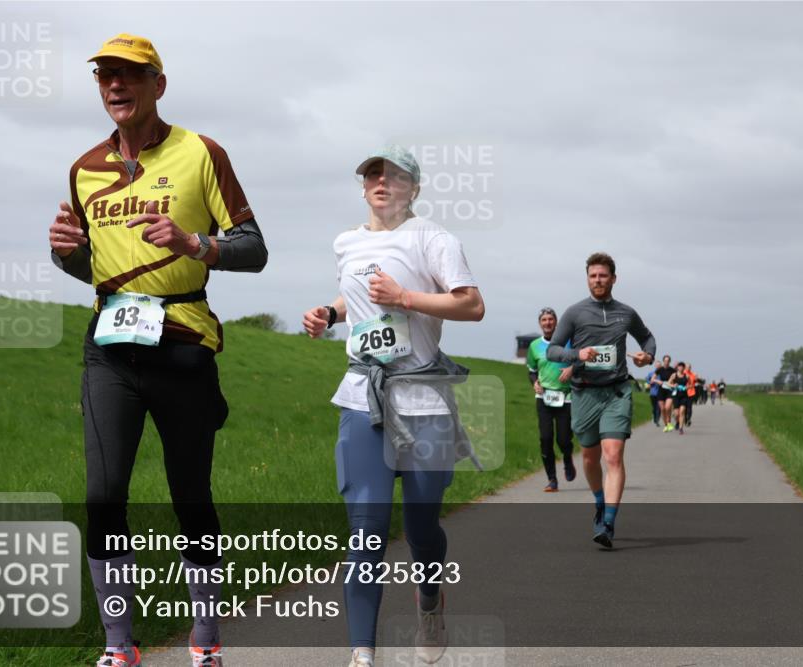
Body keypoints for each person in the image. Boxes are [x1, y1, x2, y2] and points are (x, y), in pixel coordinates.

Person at [49, 34, 268, 667]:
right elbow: (94, 267)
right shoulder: (84, 168)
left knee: (189, 492)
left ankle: (205, 639)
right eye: (105, 76)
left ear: (157, 85)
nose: (116, 86)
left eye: (130, 75)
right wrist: (65, 253)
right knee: (103, 494)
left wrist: (196, 243)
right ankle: (119, 645)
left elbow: (253, 249)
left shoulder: (202, 152)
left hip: (184, 344)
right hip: (111, 350)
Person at [302, 145, 484, 667]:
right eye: (372, 175)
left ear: (414, 189)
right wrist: (328, 314)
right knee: (367, 529)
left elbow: (471, 303)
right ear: (363, 188)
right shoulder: (346, 242)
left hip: (423, 398)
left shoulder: (434, 237)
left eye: (395, 176)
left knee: (422, 523)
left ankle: (430, 600)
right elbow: (355, 300)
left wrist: (405, 297)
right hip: (363, 396)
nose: (382, 182)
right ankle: (363, 653)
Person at [546, 252, 656, 550]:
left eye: (603, 275)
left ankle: (608, 522)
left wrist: (648, 355)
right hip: (584, 393)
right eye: (593, 276)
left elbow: (647, 339)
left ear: (613, 279)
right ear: (587, 279)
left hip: (617, 391)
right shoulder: (574, 313)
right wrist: (576, 354)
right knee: (591, 459)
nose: (598, 280)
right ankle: (599, 501)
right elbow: (552, 351)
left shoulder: (626, 313)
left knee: (613, 455)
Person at [527, 307, 576, 491]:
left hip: (566, 397)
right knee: (545, 439)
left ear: (556, 322)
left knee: (563, 440)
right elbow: (532, 371)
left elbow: (579, 362)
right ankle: (552, 479)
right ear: (540, 323)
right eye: (544, 320)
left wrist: (571, 370)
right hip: (544, 397)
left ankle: (568, 458)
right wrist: (535, 383)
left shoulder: (569, 342)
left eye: (551, 319)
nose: (547, 322)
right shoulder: (534, 346)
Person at [654, 355, 676, 432]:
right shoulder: (659, 369)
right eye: (665, 361)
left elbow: (676, 379)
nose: (666, 362)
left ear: (669, 361)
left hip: (669, 390)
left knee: (667, 407)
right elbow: (653, 379)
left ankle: (669, 422)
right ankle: (666, 425)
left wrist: (674, 384)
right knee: (662, 409)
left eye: (668, 361)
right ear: (663, 361)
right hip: (661, 390)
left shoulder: (672, 370)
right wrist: (658, 381)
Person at [671, 362, 692, 435]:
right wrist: (674, 385)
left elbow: (691, 385)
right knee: (676, 414)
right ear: (677, 368)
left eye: (682, 367)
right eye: (680, 367)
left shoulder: (687, 376)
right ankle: (677, 422)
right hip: (676, 395)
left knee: (682, 411)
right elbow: (668, 383)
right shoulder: (674, 375)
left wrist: (687, 387)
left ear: (684, 368)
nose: (681, 368)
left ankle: (681, 428)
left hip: (684, 395)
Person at [646, 361, 662, 426]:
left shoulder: (662, 373)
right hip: (653, 393)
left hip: (660, 393)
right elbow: (647, 380)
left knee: (659, 407)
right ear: (655, 366)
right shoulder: (651, 373)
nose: (658, 366)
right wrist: (650, 382)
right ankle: (655, 417)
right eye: (657, 365)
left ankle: (657, 420)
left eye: (659, 365)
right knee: (654, 407)